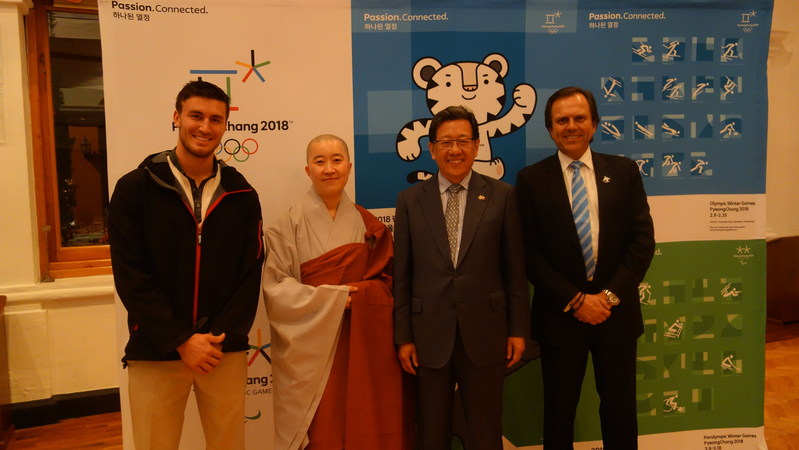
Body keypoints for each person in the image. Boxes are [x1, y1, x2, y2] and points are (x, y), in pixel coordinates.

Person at [108, 80, 264, 450]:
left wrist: (215, 339)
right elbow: (131, 275)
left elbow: (251, 271)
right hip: (156, 347)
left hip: (220, 350)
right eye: (196, 115)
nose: (205, 127)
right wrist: (179, 339)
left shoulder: (243, 194)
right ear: (176, 117)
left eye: (215, 119)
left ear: (226, 125)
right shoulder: (135, 189)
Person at [515, 86, 655, 449]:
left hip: (616, 314)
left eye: (580, 118)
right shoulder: (531, 180)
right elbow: (529, 253)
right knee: (559, 414)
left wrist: (606, 297)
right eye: (562, 120)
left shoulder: (624, 172)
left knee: (620, 410)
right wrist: (577, 300)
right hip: (560, 317)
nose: (571, 126)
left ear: (594, 125)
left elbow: (642, 244)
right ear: (550, 129)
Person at [263, 134, 413, 450]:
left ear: (349, 166)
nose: (329, 169)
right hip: (311, 346)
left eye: (336, 160)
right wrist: (334, 300)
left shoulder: (369, 225)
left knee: (362, 417)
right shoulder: (285, 224)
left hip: (361, 338)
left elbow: (390, 282)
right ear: (308, 170)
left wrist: (360, 297)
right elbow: (276, 289)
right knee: (321, 427)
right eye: (320, 162)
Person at [393, 105, 530, 450]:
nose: (455, 150)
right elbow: (403, 275)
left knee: (485, 431)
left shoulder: (502, 195)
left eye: (463, 141)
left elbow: (514, 269)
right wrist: (404, 336)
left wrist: (517, 330)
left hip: (486, 332)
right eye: (446, 142)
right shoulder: (410, 200)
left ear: (477, 145)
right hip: (428, 337)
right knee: (432, 434)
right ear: (432, 148)